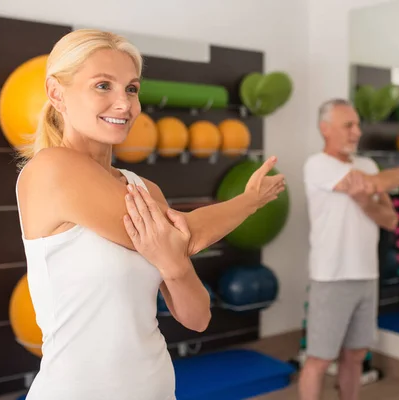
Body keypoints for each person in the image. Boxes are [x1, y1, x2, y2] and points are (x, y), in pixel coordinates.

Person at [14, 29, 286, 400]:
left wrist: (174, 266)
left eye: (131, 88)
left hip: (155, 387)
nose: (124, 104)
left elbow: (197, 318)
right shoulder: (52, 170)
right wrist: (249, 200)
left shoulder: (145, 189)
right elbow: (182, 233)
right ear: (57, 93)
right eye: (103, 86)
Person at [298, 98, 399, 400]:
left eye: (357, 125)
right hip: (331, 277)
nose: (356, 132)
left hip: (367, 275)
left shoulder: (367, 166)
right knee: (319, 360)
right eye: (348, 125)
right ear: (325, 129)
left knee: (355, 355)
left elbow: (391, 219)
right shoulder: (317, 165)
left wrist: (365, 202)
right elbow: (371, 185)